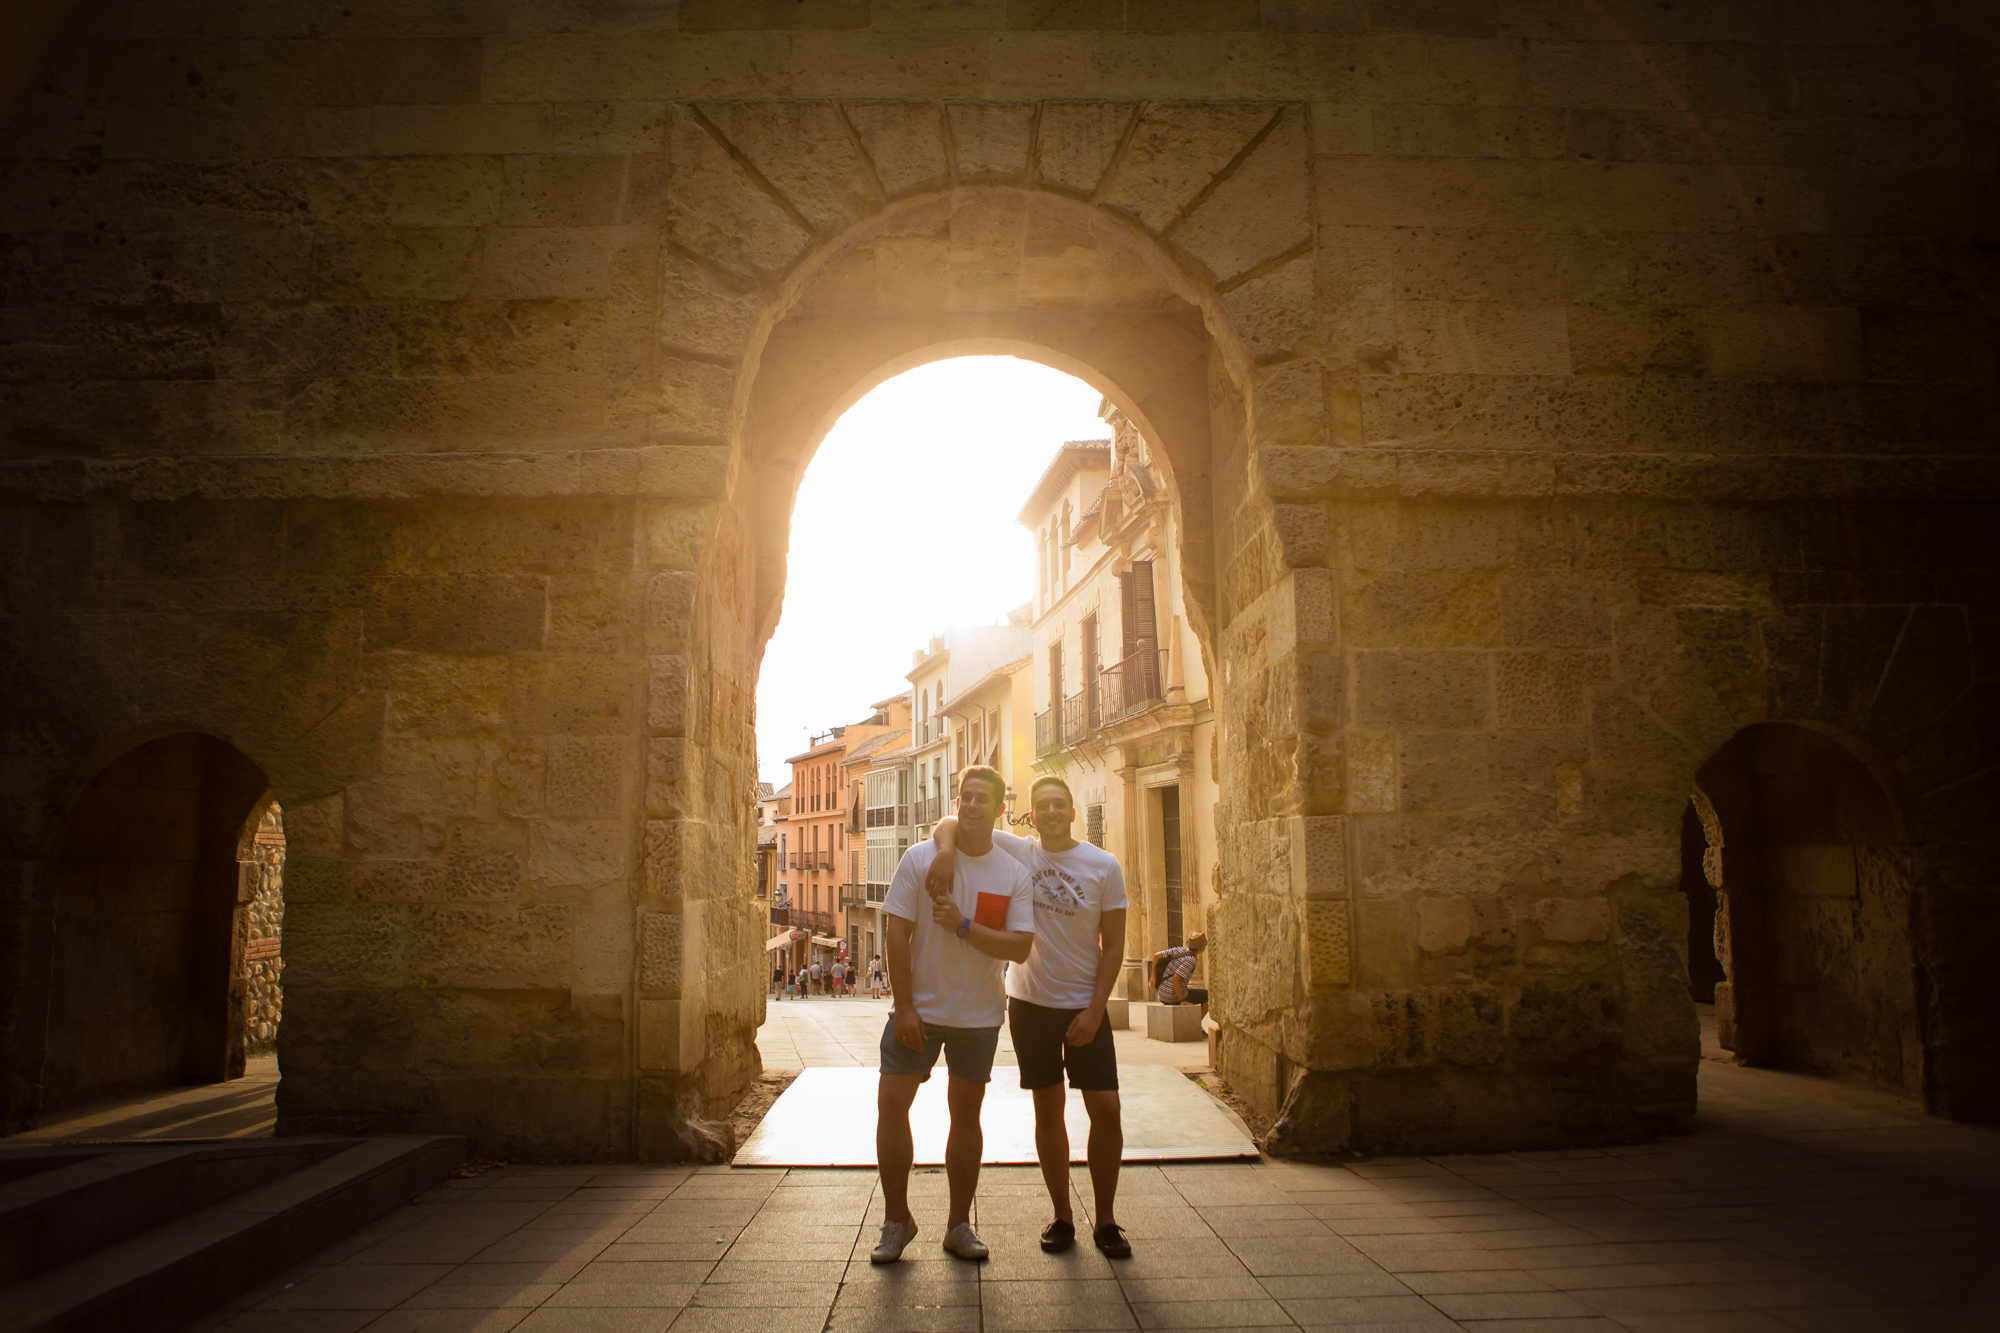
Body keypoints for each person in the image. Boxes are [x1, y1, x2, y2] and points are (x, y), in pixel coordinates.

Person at [930, 775, 1133, 1259]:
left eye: (1060, 805)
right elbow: (950, 821)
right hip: (1030, 1005)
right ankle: (1062, 1215)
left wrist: (1096, 1009)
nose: (1052, 812)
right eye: (1043, 806)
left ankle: (1106, 1220)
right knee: (1049, 1113)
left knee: (1106, 1111)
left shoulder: (1103, 865)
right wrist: (942, 851)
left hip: (1085, 1005)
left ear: (1073, 811)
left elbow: (1115, 945)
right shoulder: (1021, 852)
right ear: (1031, 816)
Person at [871, 765, 1035, 1265]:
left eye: (981, 798)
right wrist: (904, 1006)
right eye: (964, 797)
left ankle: (958, 1225)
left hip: (979, 1015)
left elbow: (1021, 947)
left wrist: (963, 926)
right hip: (917, 1010)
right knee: (892, 1104)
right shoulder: (923, 858)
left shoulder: (1013, 873)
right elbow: (895, 934)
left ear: (1000, 808)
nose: (970, 805)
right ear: (956, 802)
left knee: (966, 1117)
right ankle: (897, 1219)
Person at [1151, 932, 1209, 1018]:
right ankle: (1195, 1024)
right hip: (1171, 997)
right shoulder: (1191, 960)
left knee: (1192, 991)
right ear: (1202, 948)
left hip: (1162, 993)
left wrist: (1153, 977)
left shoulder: (1179, 950)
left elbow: (1156, 956)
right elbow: (1176, 979)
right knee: (1208, 996)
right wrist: (1181, 1000)